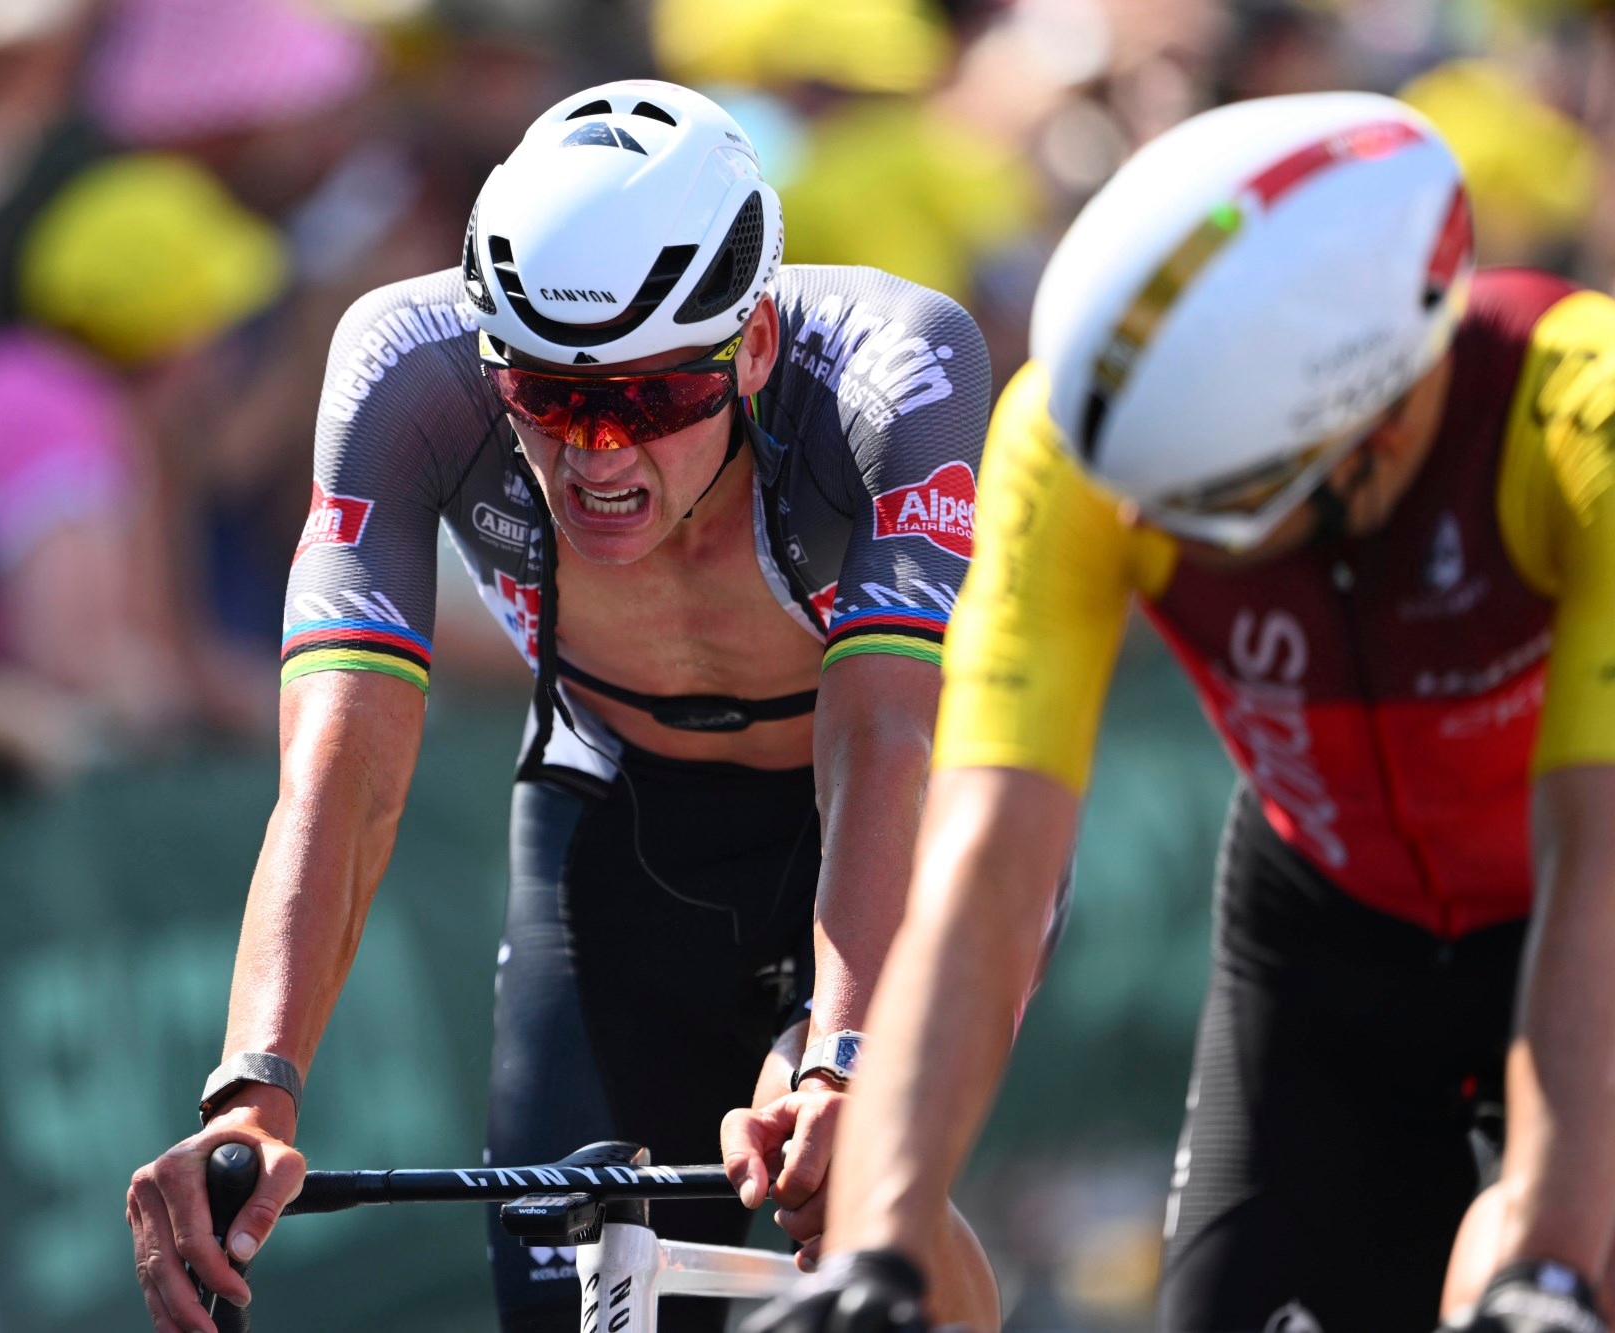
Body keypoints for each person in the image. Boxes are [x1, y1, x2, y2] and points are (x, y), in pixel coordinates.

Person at [127, 80, 1002, 1333]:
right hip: (617, 821)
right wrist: (251, 1094)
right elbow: (339, 771)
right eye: (545, 398)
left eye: (649, 400)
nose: (597, 456)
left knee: (868, 1203)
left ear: (750, 343)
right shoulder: (400, 365)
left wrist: (842, 1056)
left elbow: (883, 737)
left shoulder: (893, 363)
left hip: (885, 816)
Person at [749, 92, 1615, 1333]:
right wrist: (875, 1262)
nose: (1161, 534)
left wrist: (1543, 1265)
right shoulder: (1074, 447)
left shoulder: (1567, 418)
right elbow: (985, 864)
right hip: (1324, 924)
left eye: (1219, 506)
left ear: (1372, 419)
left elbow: (1592, 863)